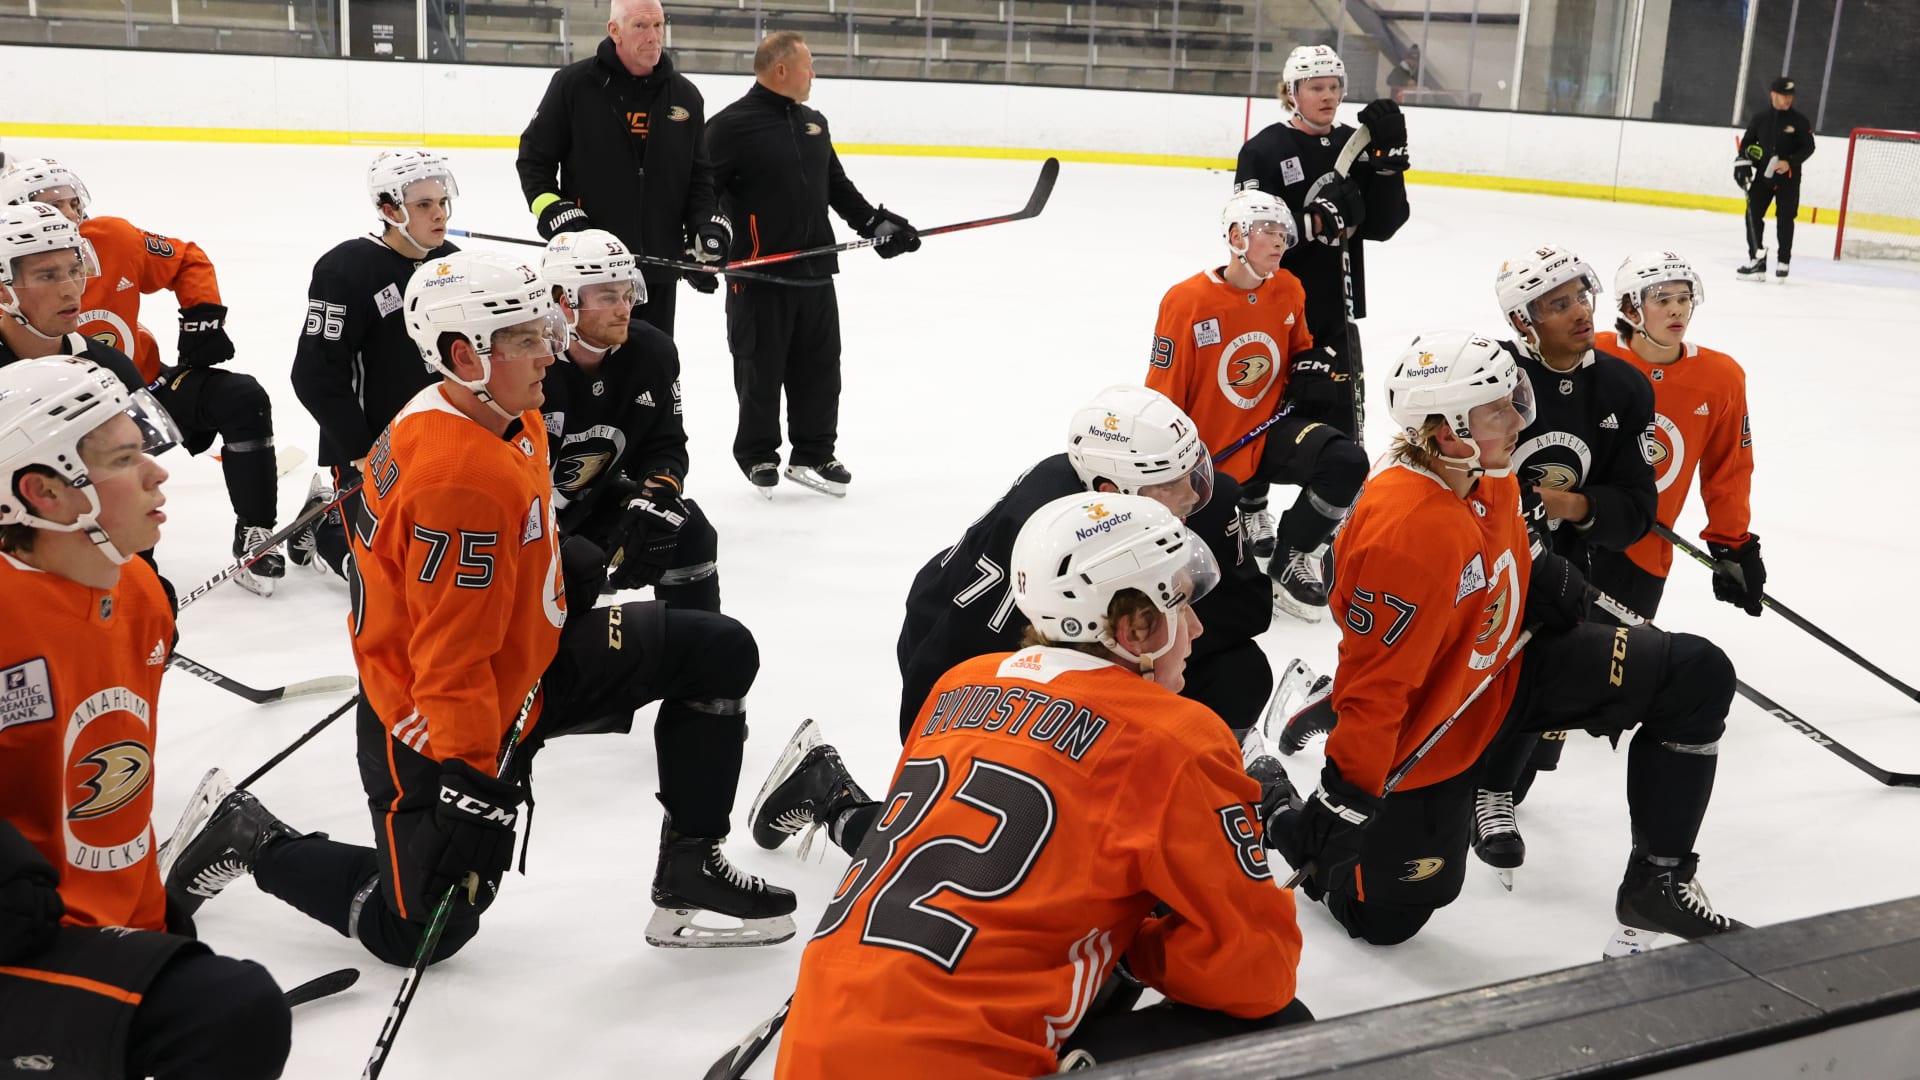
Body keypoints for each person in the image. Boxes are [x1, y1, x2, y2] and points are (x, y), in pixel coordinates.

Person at [165, 252, 795, 963]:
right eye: (527, 339)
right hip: (433, 716)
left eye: (545, 329)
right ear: (464, 355)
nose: (550, 352)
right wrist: (473, 776)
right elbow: (449, 659)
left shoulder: (497, 414)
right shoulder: (459, 475)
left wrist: (577, 568)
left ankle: (689, 863)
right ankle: (250, 838)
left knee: (717, 651)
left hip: (520, 668)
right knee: (421, 933)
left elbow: (506, 558)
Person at [772, 492, 1310, 1079]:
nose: (1199, 624)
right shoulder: (1177, 735)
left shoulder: (959, 684)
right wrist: (1133, 940)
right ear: (1135, 628)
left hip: (813, 1051)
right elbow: (1259, 972)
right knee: (1283, 1030)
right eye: (1180, 602)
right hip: (967, 1063)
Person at [1263, 331, 1743, 956]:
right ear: (1446, 431)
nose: (1519, 416)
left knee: (1696, 673)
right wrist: (1346, 797)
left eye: (1513, 398)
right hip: (1438, 720)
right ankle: (1273, 798)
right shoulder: (1406, 532)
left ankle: (1658, 881)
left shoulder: (1485, 471)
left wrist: (1540, 573)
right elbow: (1379, 688)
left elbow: (1501, 539)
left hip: (1510, 670)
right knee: (1386, 921)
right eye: (1498, 408)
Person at [0, 355, 291, 1078]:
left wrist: (151, 912)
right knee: (230, 1010)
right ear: (46, 494)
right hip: (23, 937)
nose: (159, 474)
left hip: (104, 915)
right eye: (127, 460)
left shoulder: (138, 593)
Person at [894, 384, 1276, 742]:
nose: (1192, 496)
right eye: (1170, 483)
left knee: (1241, 676)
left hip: (1104, 645)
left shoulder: (1205, 504)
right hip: (956, 643)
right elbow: (955, 653)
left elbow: (1249, 609)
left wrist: (1164, 623)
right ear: (1111, 491)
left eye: (1193, 472)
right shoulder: (1047, 537)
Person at [2, 158, 289, 596]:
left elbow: (186, 259)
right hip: (50, 445)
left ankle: (254, 532)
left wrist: (202, 317)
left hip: (135, 394)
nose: (70, 218)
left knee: (239, 397)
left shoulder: (112, 241)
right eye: (51, 207)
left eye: (73, 204)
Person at [1472, 245, 1658, 875]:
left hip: (1562, 569)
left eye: (1582, 294)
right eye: (1559, 304)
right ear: (1525, 322)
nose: (1581, 311)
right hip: (1477, 558)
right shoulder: (1486, 375)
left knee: (1541, 665)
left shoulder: (1624, 386)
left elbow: (1636, 508)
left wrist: (1571, 505)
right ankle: (1326, 704)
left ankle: (1496, 786)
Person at [706, 30, 921, 498]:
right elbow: (701, 190)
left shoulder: (814, 124)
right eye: (808, 66)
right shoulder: (730, 126)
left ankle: (815, 452)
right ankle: (759, 454)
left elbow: (837, 187)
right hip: (759, 273)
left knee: (821, 369)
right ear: (781, 69)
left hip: (815, 272)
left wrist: (877, 224)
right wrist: (704, 244)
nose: (814, 75)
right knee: (759, 369)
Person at [1148, 187, 1368, 621]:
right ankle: (1242, 518)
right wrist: (1169, 470)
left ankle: (1290, 556)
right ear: (1236, 237)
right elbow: (1163, 394)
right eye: (1267, 229)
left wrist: (1312, 369)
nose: (1279, 239)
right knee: (1217, 591)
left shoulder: (1287, 289)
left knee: (1346, 461)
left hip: (1268, 434)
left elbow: (1299, 351)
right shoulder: (1187, 301)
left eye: (1283, 231)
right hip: (1208, 458)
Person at [289, 148, 460, 582]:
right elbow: (314, 373)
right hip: (374, 446)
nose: (439, 214)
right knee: (380, 578)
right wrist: (362, 451)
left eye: (442, 202)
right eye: (424, 205)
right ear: (388, 209)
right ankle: (324, 520)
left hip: (442, 440)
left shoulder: (454, 264)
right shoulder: (346, 270)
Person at [516, 0, 726, 336]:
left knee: (651, 373)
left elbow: (699, 177)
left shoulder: (686, 96)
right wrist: (552, 208)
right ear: (615, 31)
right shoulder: (573, 85)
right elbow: (533, 160)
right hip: (590, 273)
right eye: (641, 26)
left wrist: (704, 228)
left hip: (659, 270)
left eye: (658, 25)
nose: (653, 36)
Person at [1235, 44, 1411, 442]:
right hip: (1275, 310)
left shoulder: (1356, 146)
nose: (1328, 95)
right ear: (1291, 92)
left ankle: (1341, 502)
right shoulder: (1263, 152)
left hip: (1336, 312)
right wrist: (1313, 221)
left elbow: (1383, 226)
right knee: (1268, 420)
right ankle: (1251, 499)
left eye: (1334, 86)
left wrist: (1388, 166)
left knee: (1344, 431)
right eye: (1316, 87)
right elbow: (1247, 237)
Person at [541, 228, 722, 611]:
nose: (625, 308)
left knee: (684, 528)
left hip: (583, 507)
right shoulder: (528, 368)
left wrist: (656, 493)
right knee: (576, 573)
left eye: (627, 294)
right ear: (564, 303)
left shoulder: (651, 354)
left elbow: (665, 444)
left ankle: (691, 654)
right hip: (518, 526)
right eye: (608, 297)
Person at [1593, 251, 1762, 621]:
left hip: (1644, 549)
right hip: (1568, 534)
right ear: (1631, 308)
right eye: (1663, 299)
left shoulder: (1720, 378)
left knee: (1615, 667)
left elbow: (1729, 469)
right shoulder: (1590, 354)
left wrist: (1733, 544)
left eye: (1684, 299)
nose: (1677, 310)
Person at [0, 203, 145, 395]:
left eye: (75, 270)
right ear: (3, 289)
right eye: (47, 276)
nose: (70, 290)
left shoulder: (112, 367)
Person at [1735, 77, 1815, 281]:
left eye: (1790, 96)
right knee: (1752, 213)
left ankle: (1783, 262)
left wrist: (1790, 161)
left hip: (1788, 178)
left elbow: (1808, 147)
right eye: (1783, 95)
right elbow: (1746, 145)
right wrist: (1743, 165)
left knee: (1786, 218)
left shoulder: (1799, 121)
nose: (1787, 99)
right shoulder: (1760, 119)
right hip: (1763, 177)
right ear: (1773, 95)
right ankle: (1757, 260)